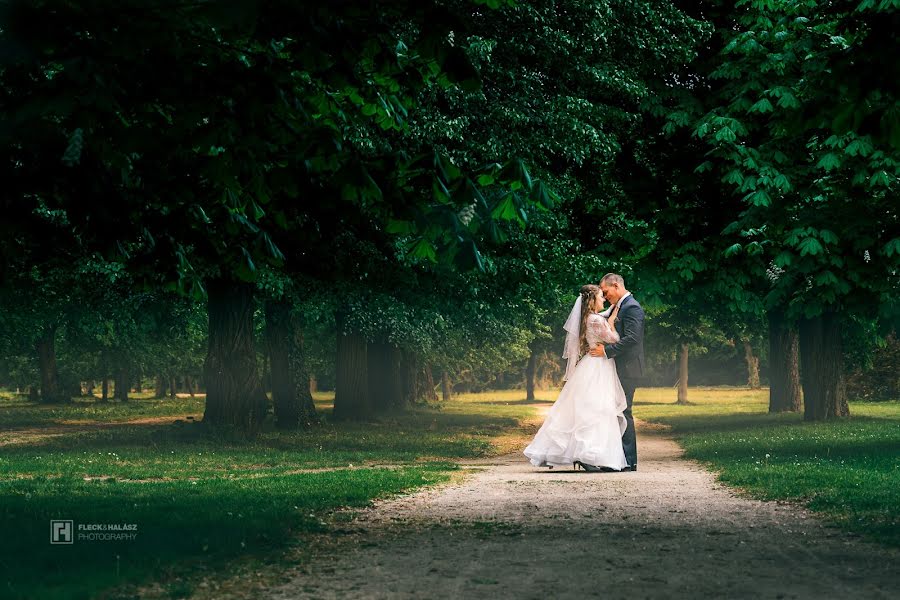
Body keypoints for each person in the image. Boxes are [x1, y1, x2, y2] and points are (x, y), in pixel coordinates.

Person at [523, 284, 629, 472]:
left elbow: (601, 319)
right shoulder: (596, 320)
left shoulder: (588, 317)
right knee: (596, 408)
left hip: (592, 364)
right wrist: (611, 322)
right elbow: (614, 339)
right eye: (600, 297)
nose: (603, 299)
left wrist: (610, 314)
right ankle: (587, 455)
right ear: (592, 300)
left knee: (589, 408)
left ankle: (591, 455)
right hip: (598, 366)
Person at [589, 273, 645, 471]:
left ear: (615, 286)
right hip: (617, 367)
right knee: (614, 412)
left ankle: (629, 461)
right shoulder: (617, 306)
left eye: (605, 292)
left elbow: (632, 339)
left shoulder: (632, 307)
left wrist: (606, 351)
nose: (604, 297)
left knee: (623, 411)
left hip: (628, 368)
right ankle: (616, 459)